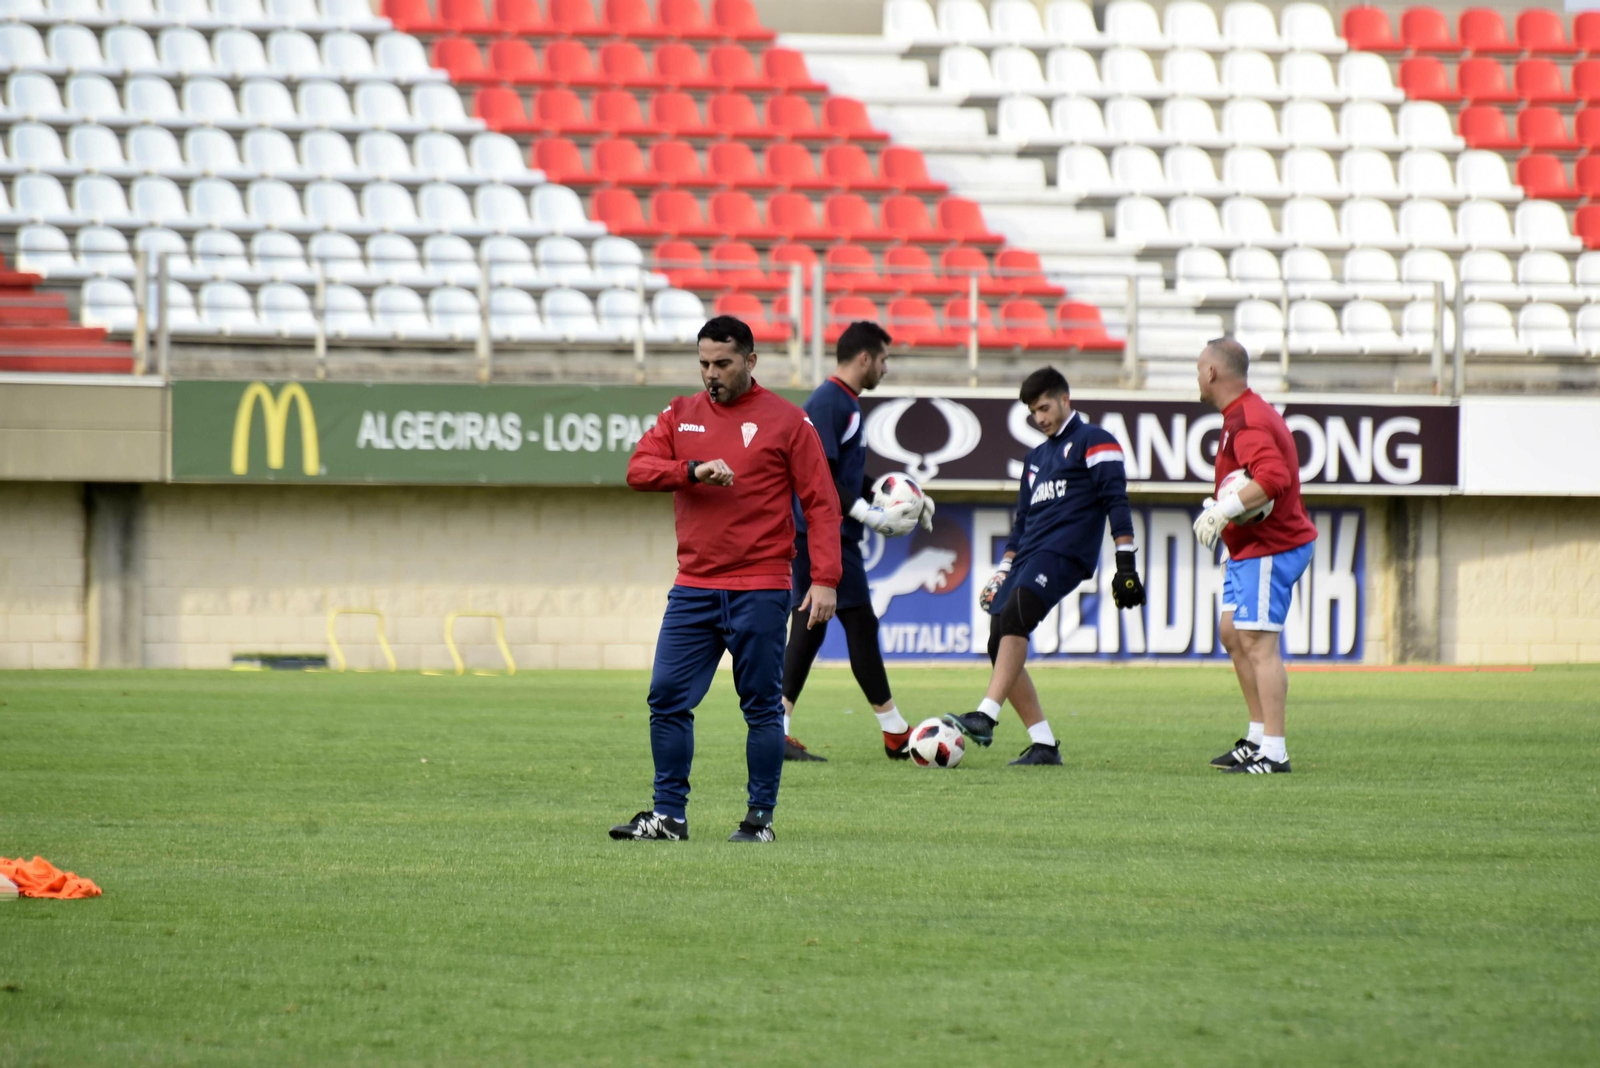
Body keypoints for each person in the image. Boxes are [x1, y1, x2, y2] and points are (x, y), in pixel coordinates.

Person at [612, 315, 842, 843]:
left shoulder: (788, 422)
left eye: (723, 363)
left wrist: (825, 577)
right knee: (666, 696)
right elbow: (638, 470)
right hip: (692, 586)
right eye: (704, 364)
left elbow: (822, 505)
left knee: (761, 705)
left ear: (751, 361)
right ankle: (668, 816)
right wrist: (691, 470)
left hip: (760, 586)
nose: (711, 374)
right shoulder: (681, 414)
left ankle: (759, 820)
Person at [944, 368, 1145, 765]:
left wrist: (1126, 562)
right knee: (997, 637)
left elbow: (1115, 502)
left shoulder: (1095, 441)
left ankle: (986, 715)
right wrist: (1003, 568)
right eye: (1034, 412)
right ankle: (1044, 744)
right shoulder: (1036, 458)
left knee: (1017, 616)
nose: (1040, 418)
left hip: (1065, 554)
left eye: (1045, 407)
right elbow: (1022, 523)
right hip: (1029, 555)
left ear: (1065, 399)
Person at [780, 322, 933, 764]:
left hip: (828, 532)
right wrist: (868, 513)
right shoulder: (830, 403)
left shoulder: (844, 403)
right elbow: (820, 475)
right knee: (851, 625)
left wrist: (908, 497)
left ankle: (780, 727)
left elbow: (847, 477)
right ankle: (894, 732)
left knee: (817, 627)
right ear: (864, 358)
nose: (885, 369)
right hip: (821, 533)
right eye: (883, 360)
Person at [1191, 337, 1318, 774]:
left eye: (1199, 368)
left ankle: (1275, 752)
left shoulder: (1246, 419)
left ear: (1212, 373)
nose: (1197, 376)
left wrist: (1225, 509)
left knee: (1259, 644)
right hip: (1250, 547)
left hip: (1271, 546)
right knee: (1232, 632)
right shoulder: (1240, 414)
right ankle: (1258, 736)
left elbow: (1274, 477)